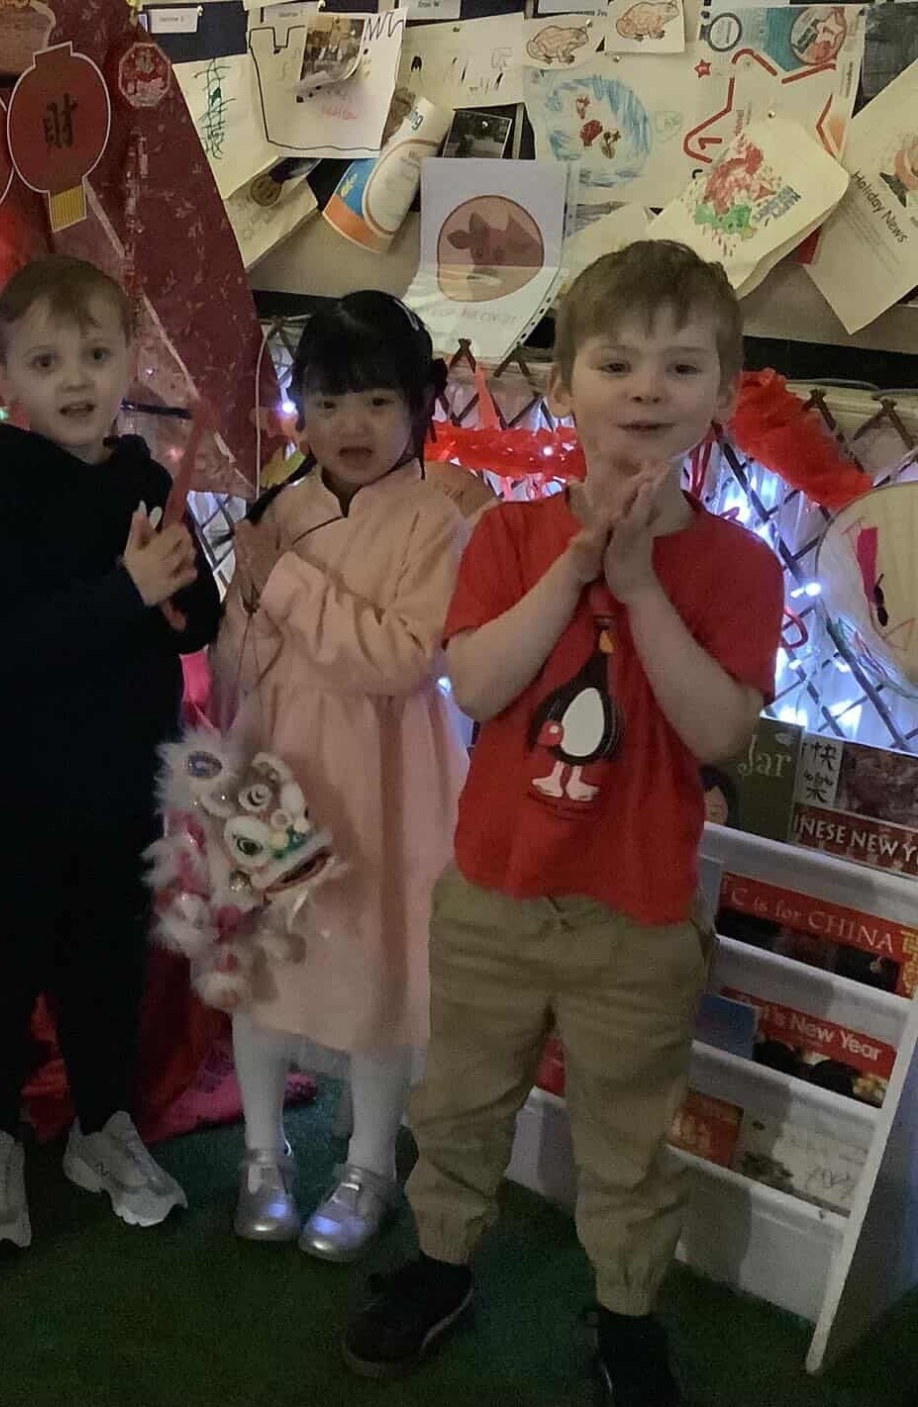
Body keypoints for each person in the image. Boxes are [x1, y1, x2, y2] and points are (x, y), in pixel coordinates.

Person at [343, 241, 785, 1406]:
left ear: (721, 394)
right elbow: (479, 683)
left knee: (626, 1138)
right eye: (616, 361)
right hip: (492, 891)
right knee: (457, 1102)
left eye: (680, 366)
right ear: (565, 381)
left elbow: (718, 730)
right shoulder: (506, 535)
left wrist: (638, 589)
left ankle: (627, 1315)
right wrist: (576, 567)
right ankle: (441, 1265)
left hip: (635, 916)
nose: (646, 389)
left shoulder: (738, 565)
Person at [0, 254, 222, 1250]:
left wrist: (179, 591)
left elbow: (191, 620)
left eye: (96, 354)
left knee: (107, 968)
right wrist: (124, 593)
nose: (75, 379)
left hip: (122, 785)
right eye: (47, 360)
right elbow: (1, 639)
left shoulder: (143, 477)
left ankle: (102, 1125)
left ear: (130, 358)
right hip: (11, 797)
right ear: (4, 373)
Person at [216, 292, 468, 1263]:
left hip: (385, 777)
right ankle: (262, 1152)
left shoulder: (435, 520)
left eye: (374, 400)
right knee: (262, 964)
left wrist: (280, 582)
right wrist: (248, 604)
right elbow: (239, 658)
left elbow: (401, 658)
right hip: (279, 764)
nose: (349, 425)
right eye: (326, 402)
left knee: (376, 968)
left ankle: (368, 1165)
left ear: (416, 405)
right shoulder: (279, 509)